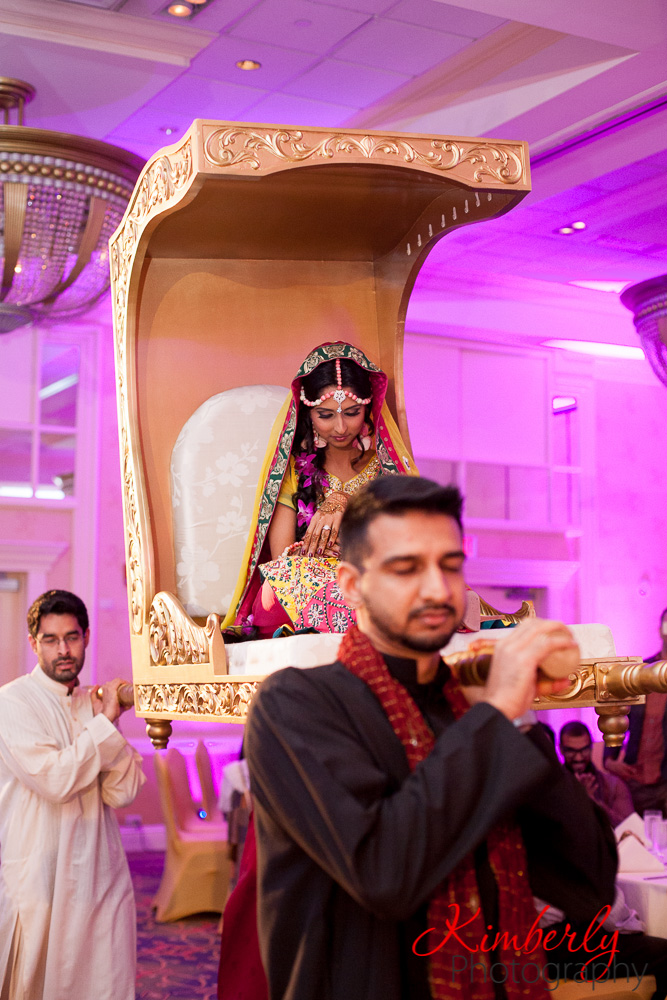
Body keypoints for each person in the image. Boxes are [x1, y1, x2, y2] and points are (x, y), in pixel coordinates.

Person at [245, 475, 618, 1000]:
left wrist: (523, 722)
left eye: (449, 565)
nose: (438, 589)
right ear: (352, 586)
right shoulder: (296, 707)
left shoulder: (472, 714)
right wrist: (496, 716)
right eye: (406, 568)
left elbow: (589, 884)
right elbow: (384, 873)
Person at [0, 589, 145, 1000]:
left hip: (99, 873)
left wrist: (105, 721)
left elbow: (122, 793)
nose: (63, 650)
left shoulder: (91, 702)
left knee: (102, 981)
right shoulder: (12, 703)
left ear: (86, 636)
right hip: (39, 874)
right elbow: (56, 780)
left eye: (72, 637)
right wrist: (105, 725)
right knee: (36, 982)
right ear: (34, 644)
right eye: (51, 639)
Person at [221, 341, 417, 636]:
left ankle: (342, 615)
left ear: (368, 407)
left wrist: (348, 504)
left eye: (352, 412)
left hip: (373, 577)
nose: (340, 427)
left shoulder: (385, 467)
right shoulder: (295, 469)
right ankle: (344, 615)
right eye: (325, 415)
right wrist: (318, 553)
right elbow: (282, 560)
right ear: (307, 413)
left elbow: (411, 541)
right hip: (309, 580)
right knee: (275, 590)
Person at [606, 606, 667, 815]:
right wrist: (609, 758)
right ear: (660, 629)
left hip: (665, 781)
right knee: (636, 841)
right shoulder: (641, 671)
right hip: (635, 779)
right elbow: (617, 709)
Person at [559, 720, 633, 827]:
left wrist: (594, 802)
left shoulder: (613, 785)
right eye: (571, 751)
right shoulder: (552, 786)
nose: (578, 757)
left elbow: (630, 828)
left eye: (584, 750)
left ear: (591, 747)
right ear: (561, 749)